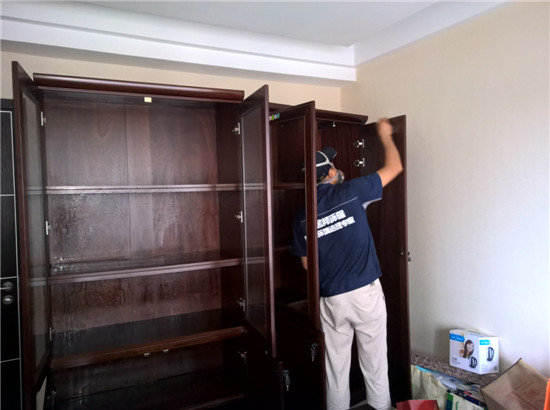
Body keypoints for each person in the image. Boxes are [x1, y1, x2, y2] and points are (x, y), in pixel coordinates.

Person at [291, 118, 403, 410]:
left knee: (335, 369)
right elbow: (394, 168)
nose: (339, 170)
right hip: (364, 294)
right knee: (375, 364)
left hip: (331, 299)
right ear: (330, 173)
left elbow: (307, 265)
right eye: (335, 167)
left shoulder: (301, 215)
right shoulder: (352, 191)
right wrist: (385, 135)